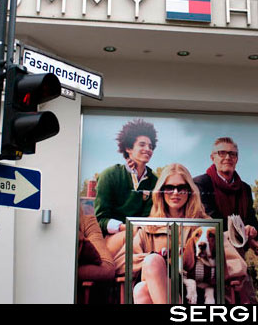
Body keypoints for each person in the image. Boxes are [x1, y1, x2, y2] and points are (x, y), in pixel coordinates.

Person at [113, 163, 248, 304]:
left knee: (142, 288)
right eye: (169, 187)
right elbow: (121, 263)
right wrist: (159, 260)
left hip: (197, 294)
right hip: (162, 289)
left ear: (190, 190)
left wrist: (200, 265)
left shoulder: (204, 224)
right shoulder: (150, 227)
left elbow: (236, 263)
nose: (175, 192)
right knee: (150, 269)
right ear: (161, 191)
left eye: (182, 188)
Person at [94, 119, 159, 257]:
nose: (148, 149)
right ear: (128, 148)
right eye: (142, 144)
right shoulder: (109, 175)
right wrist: (126, 227)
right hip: (113, 238)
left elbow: (148, 217)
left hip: (142, 237)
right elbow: (100, 219)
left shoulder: (155, 181)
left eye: (151, 146)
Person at [193, 137, 258, 257]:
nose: (227, 157)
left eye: (232, 154)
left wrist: (251, 230)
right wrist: (246, 235)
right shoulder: (201, 183)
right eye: (222, 153)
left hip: (238, 254)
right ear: (213, 158)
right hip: (210, 253)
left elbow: (252, 220)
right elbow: (213, 220)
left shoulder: (245, 189)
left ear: (237, 159)